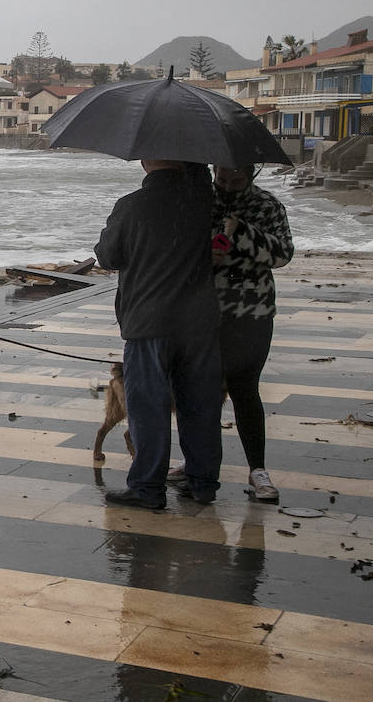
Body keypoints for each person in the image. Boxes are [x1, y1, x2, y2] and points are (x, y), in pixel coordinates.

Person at [94, 160, 222, 510]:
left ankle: (148, 487)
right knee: (199, 405)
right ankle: (203, 482)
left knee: (149, 407)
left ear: (145, 160)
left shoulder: (133, 205)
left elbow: (107, 257)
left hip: (150, 322)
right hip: (199, 322)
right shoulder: (202, 202)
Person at [188, 163, 293, 502]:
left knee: (245, 389)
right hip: (206, 312)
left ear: (251, 175)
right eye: (222, 178)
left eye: (237, 180)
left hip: (253, 312)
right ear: (214, 171)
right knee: (201, 391)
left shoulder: (268, 206)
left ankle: (258, 470)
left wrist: (243, 232)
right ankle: (198, 465)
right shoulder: (200, 202)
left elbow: (282, 254)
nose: (228, 186)